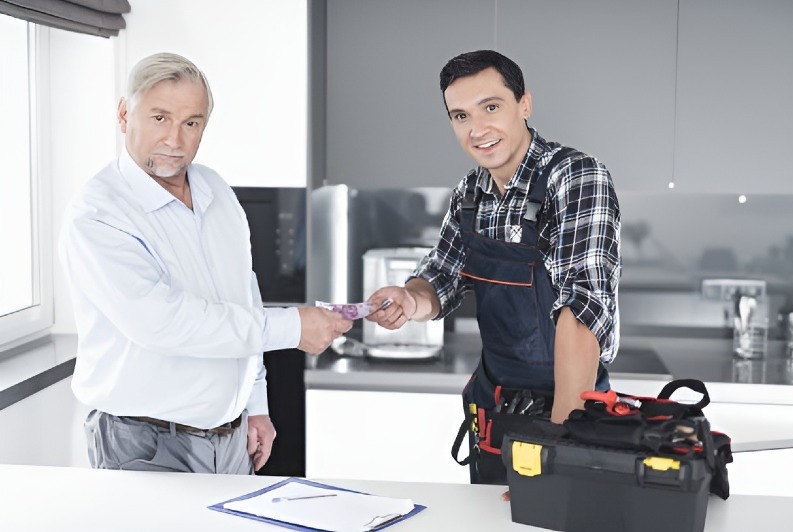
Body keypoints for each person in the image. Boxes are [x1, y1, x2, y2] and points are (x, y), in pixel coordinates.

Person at [59, 52, 352, 475]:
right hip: (144, 443)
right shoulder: (99, 214)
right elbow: (165, 323)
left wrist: (254, 405)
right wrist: (293, 327)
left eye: (191, 123)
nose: (175, 140)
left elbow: (241, 298)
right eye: (160, 118)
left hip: (230, 439)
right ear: (125, 114)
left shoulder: (215, 189)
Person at [366, 50, 621, 484]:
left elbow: (582, 313)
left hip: (569, 409)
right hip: (496, 411)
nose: (477, 129)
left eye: (491, 107)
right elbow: (443, 277)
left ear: (524, 104)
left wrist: (558, 449)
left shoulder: (576, 177)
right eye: (461, 115)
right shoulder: (470, 191)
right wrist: (411, 299)